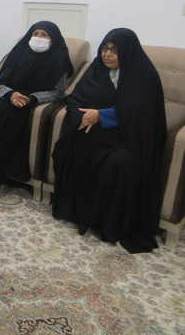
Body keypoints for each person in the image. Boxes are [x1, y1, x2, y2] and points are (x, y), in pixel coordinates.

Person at [52, 28, 166, 253]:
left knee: (120, 162)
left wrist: (101, 115)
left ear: (127, 51)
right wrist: (81, 117)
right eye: (104, 48)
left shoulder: (144, 75)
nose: (107, 54)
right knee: (76, 149)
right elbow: (75, 101)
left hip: (129, 138)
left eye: (114, 50)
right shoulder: (96, 69)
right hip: (96, 134)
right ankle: (82, 214)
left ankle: (108, 223)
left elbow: (143, 113)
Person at [0, 21, 74, 200]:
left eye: (44, 35)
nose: (39, 38)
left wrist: (32, 99)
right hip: (7, 95)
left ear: (53, 39)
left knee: (10, 120)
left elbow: (58, 92)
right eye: (35, 33)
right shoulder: (18, 52)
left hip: (28, 102)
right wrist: (10, 94)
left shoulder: (59, 59)